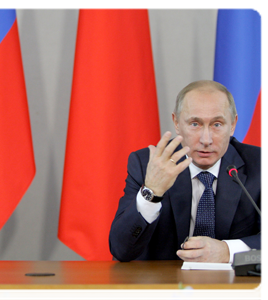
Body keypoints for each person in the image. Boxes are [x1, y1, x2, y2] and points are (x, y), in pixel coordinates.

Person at [109, 80, 264, 263]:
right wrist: (151, 193)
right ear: (176, 123)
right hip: (164, 288)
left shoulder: (260, 165)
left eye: (217, 124)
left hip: (232, 287)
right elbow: (121, 250)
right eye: (195, 124)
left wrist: (227, 251)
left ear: (232, 125)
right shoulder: (148, 164)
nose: (206, 140)